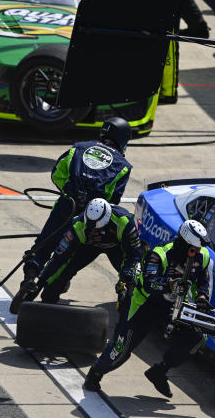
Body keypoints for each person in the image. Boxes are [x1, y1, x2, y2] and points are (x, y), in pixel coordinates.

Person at [83, 220, 213, 398]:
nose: (197, 252)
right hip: (145, 304)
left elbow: (202, 282)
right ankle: (95, 373)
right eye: (193, 249)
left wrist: (202, 297)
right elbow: (149, 283)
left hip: (173, 306)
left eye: (198, 249)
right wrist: (171, 285)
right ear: (184, 244)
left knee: (197, 337)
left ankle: (160, 371)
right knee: (123, 346)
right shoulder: (158, 255)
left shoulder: (203, 256)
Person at [15, 117, 133, 299]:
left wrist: (70, 192)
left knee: (44, 245)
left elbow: (57, 174)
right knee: (69, 253)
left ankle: (29, 279)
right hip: (90, 215)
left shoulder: (78, 148)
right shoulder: (123, 166)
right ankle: (56, 283)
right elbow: (112, 200)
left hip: (66, 204)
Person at [10, 198, 142, 312]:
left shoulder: (125, 221)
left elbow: (133, 255)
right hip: (87, 247)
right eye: (91, 226)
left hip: (118, 248)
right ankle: (48, 303)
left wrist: (126, 277)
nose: (94, 229)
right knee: (60, 274)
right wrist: (40, 283)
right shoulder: (78, 225)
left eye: (98, 227)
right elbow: (58, 258)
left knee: (134, 276)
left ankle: (134, 308)